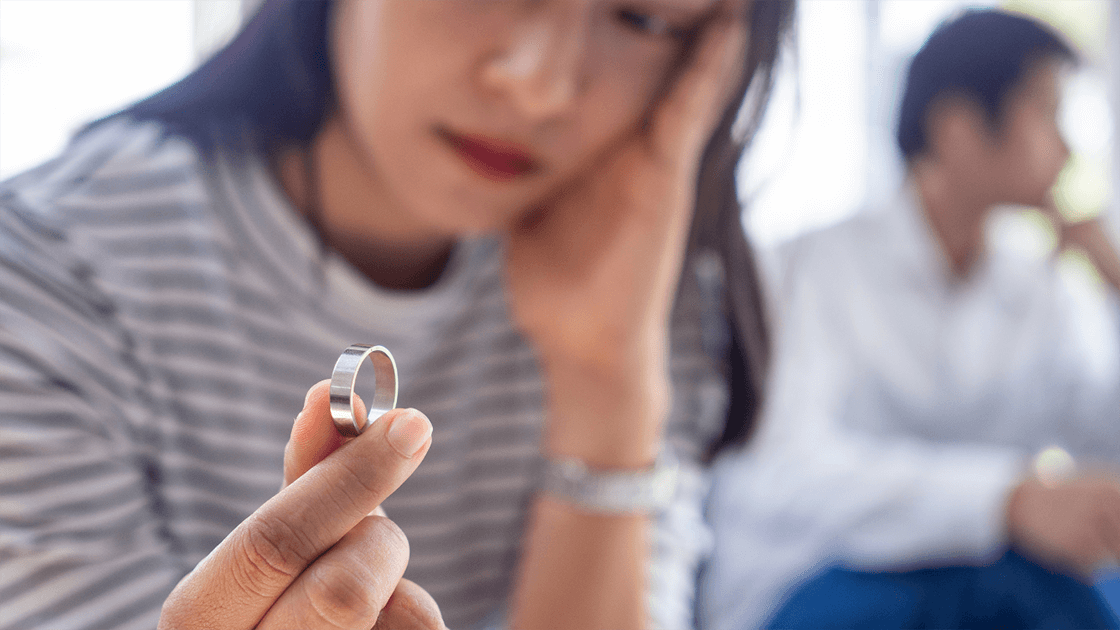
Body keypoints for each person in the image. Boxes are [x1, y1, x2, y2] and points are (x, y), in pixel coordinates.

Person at [0, 0, 795, 628]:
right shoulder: (42, 274)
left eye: (646, 18)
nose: (539, 81)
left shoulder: (652, 280)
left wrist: (606, 379)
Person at [699, 9, 1120, 630]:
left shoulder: (1039, 289)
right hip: (814, 580)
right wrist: (1009, 500)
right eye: (1047, 112)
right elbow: (784, 470)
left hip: (986, 581)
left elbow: (1103, 438)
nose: (1066, 147)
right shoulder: (806, 269)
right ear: (958, 129)